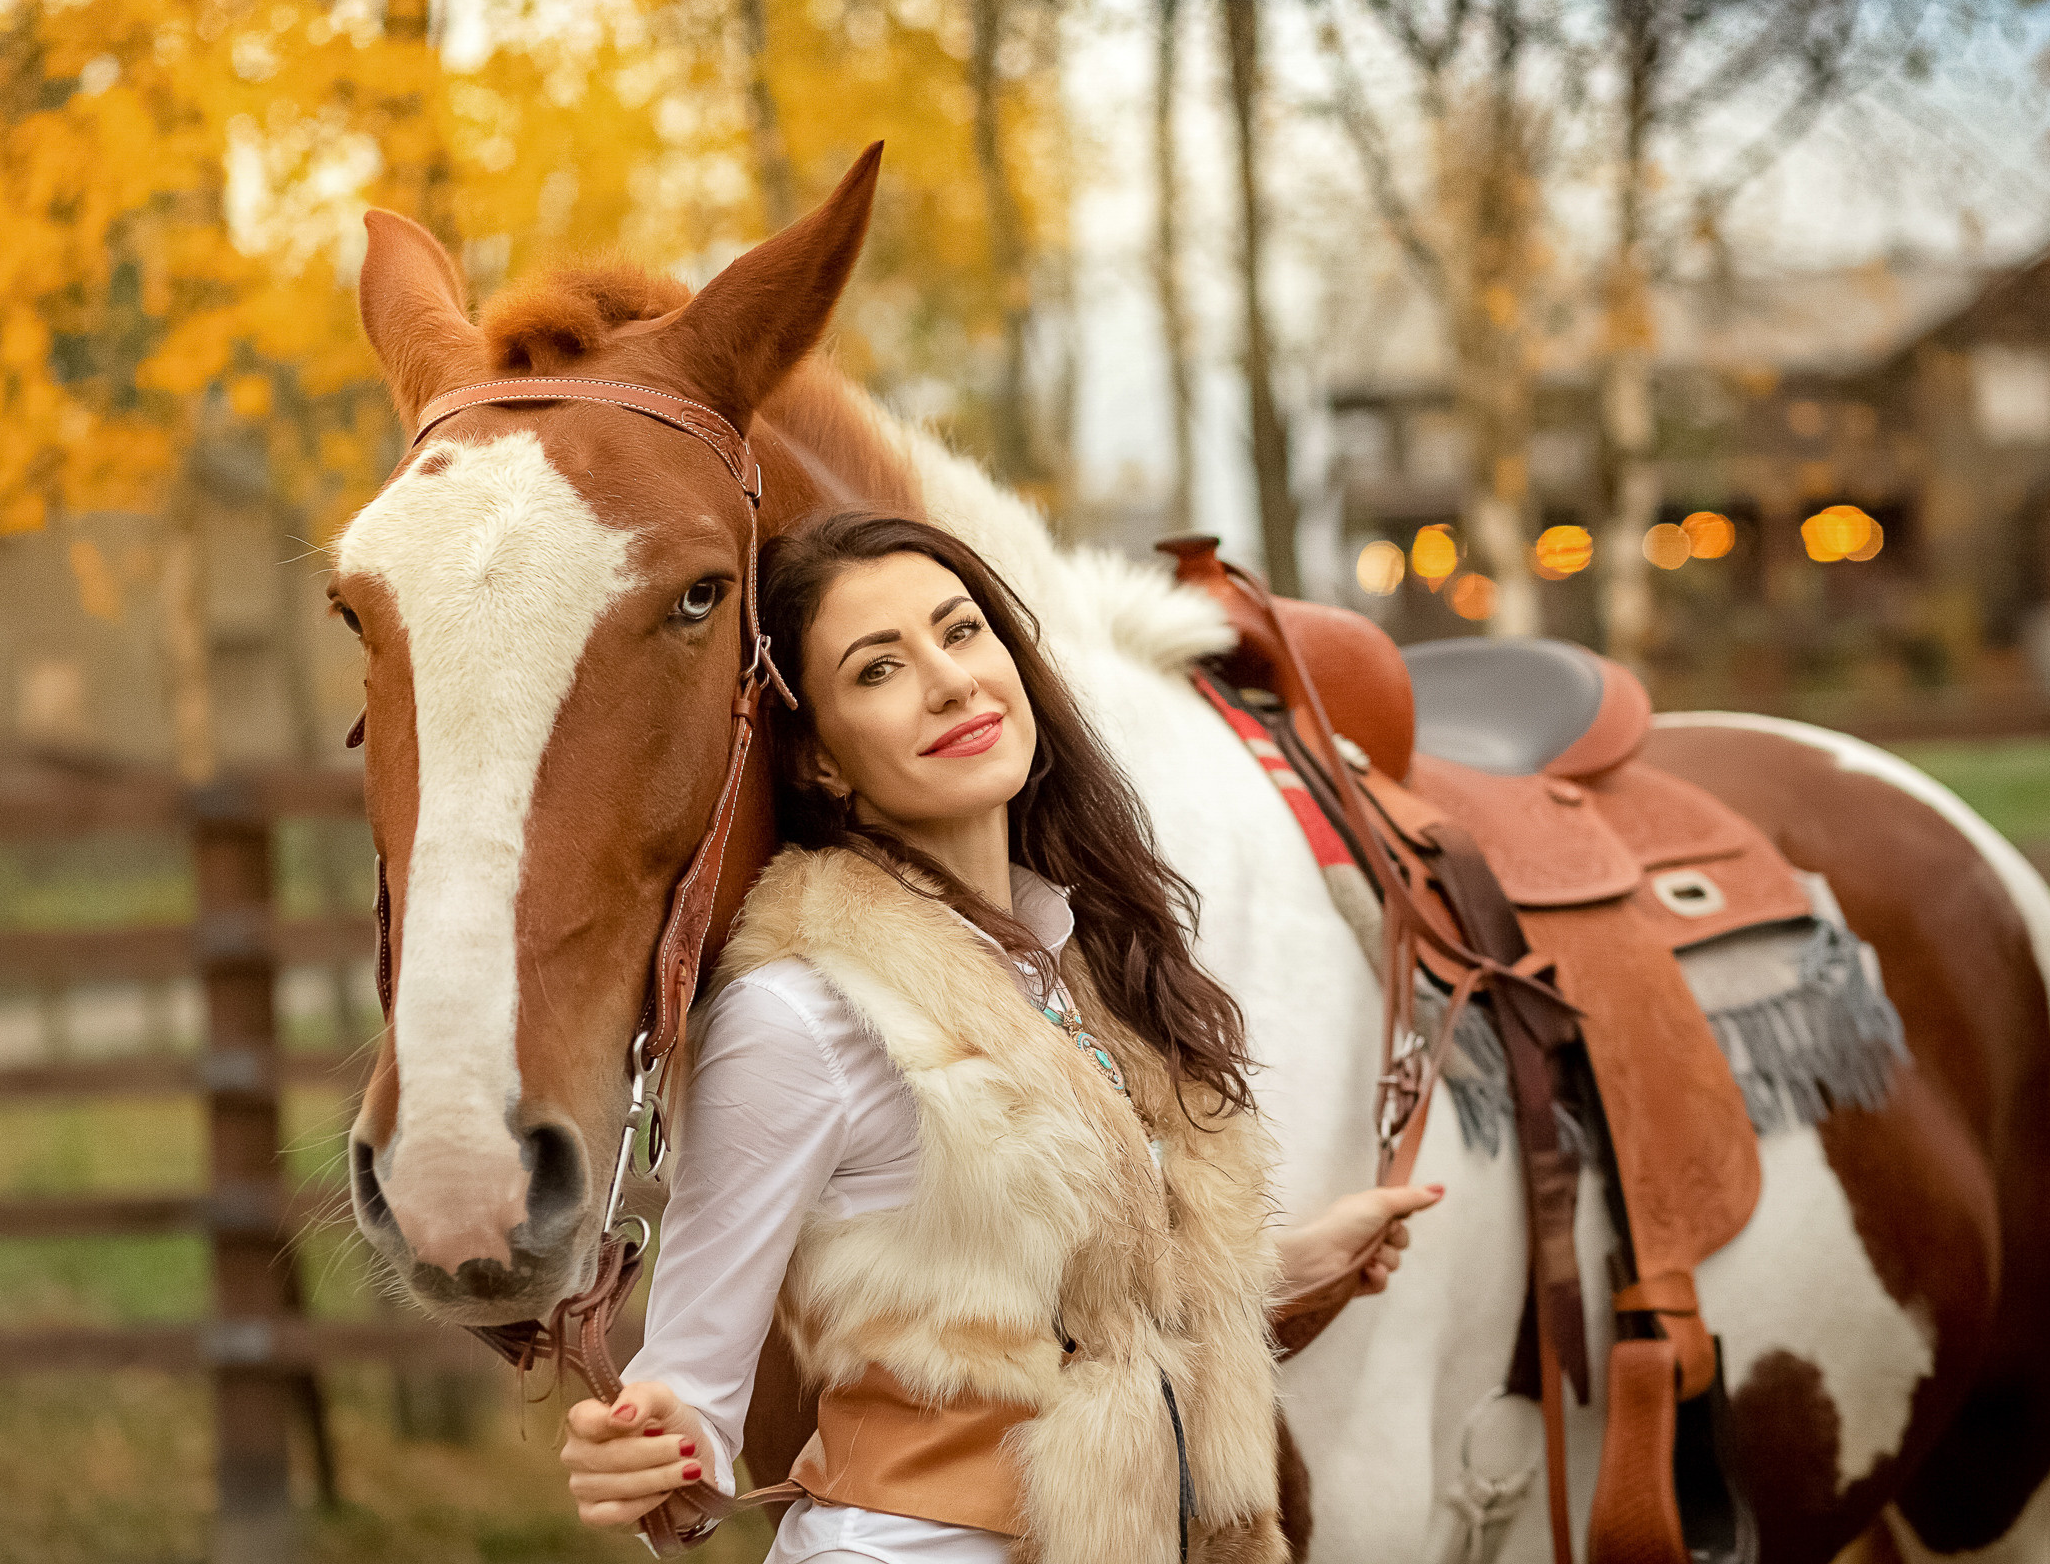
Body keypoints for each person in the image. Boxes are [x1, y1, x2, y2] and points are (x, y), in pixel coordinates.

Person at [561, 513, 1441, 1563]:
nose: (948, 681)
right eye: (878, 668)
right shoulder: (799, 1009)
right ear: (823, 761)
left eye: (961, 631)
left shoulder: (1076, 962)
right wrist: (642, 1448)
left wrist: (1289, 1263)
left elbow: (1087, 1313)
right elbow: (692, 1394)